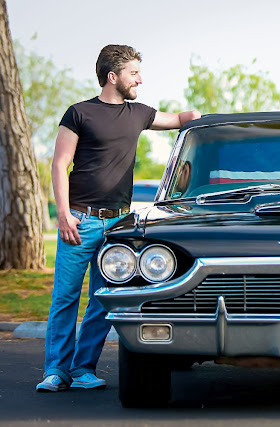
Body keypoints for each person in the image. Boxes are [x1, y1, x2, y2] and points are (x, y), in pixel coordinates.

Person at [36, 44, 201, 392]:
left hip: (118, 226)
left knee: (103, 299)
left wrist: (200, 118)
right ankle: (56, 371)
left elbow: (177, 121)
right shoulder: (79, 113)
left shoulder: (139, 113)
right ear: (113, 77)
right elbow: (59, 164)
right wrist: (64, 214)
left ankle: (82, 370)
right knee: (65, 298)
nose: (140, 78)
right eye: (133, 73)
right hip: (81, 220)